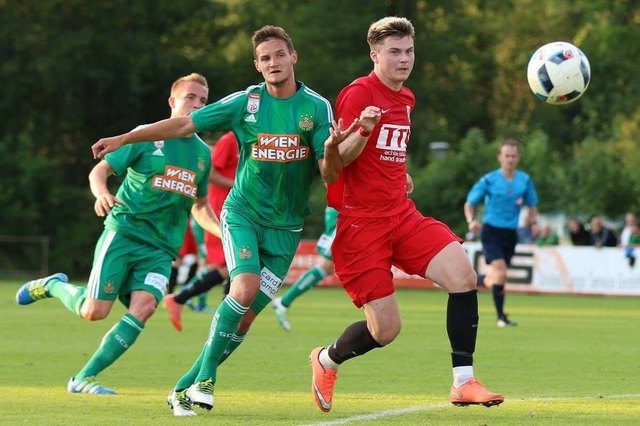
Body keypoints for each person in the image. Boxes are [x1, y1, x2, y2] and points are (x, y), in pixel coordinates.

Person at [91, 26, 360, 417]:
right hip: (243, 213)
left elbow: (329, 171)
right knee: (244, 286)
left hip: (286, 229)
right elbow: (184, 125)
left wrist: (337, 147)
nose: (273, 63)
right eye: (265, 58)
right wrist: (127, 138)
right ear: (257, 64)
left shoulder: (317, 107)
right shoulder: (245, 102)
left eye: (279, 55)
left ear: (293, 57)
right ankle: (206, 382)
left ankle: (184, 388)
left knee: (245, 319)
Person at [309, 17, 504, 414]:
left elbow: (387, 150)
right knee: (386, 331)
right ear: (374, 54)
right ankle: (326, 360)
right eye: (394, 52)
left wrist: (401, 173)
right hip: (361, 225)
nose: (404, 59)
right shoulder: (358, 94)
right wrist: (361, 132)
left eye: (409, 51)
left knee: (463, 276)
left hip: (401, 215)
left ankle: (464, 382)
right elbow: (336, 165)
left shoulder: (406, 98)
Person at [15, 73, 220, 395]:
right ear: (172, 102)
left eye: (203, 101)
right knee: (94, 312)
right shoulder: (145, 136)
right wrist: (101, 193)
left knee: (145, 307)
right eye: (191, 97)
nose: (197, 104)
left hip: (161, 250)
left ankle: (83, 378)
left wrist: (225, 233)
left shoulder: (203, 154)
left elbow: (200, 205)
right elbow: (101, 170)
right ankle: (54, 286)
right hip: (125, 234)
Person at [164, 131, 239, 331]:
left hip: (238, 209)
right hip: (221, 210)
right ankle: (225, 318)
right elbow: (212, 175)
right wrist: (240, 186)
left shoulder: (249, 138)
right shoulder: (229, 140)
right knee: (233, 265)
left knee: (232, 267)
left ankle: (181, 300)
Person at [465, 139, 539, 328]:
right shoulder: (489, 179)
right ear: (500, 157)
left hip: (511, 234)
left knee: (497, 277)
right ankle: (501, 317)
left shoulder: (524, 180)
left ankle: (474, 279)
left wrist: (533, 221)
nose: (510, 159)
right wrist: (472, 221)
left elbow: (532, 205)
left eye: (513, 156)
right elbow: (470, 203)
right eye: (507, 156)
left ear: (518, 158)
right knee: (501, 271)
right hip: (491, 231)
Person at [272, 206, 337, 331]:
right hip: (344, 212)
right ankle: (284, 302)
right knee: (325, 266)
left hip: (349, 212)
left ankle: (284, 301)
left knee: (328, 268)